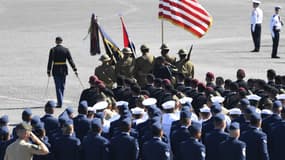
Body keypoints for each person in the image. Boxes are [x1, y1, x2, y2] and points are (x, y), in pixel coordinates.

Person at [47, 36, 78, 108]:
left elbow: (50, 61)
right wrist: (74, 69)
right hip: (64, 69)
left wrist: (49, 70)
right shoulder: (66, 50)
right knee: (62, 86)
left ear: (56, 41)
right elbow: (70, 60)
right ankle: (60, 100)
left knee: (58, 86)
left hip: (56, 69)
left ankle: (60, 102)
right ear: (61, 41)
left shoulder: (53, 50)